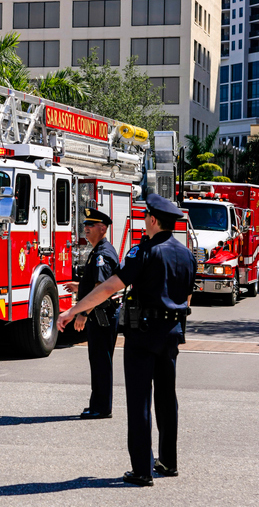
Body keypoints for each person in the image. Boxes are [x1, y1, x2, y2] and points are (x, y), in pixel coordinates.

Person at [58, 194, 197, 487]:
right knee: (166, 398)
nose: (144, 219)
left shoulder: (143, 252)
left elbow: (109, 287)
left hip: (143, 334)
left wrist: (74, 309)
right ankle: (168, 462)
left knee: (139, 401)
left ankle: (142, 470)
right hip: (171, 333)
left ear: (154, 220)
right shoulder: (186, 254)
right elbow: (186, 296)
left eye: (146, 216)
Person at [64, 208, 119, 420]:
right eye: (85, 225)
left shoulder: (102, 254)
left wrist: (83, 313)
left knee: (101, 363)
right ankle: (97, 404)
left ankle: (102, 408)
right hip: (100, 316)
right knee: (97, 362)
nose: (85, 229)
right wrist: (80, 286)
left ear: (102, 228)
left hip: (100, 317)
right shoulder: (98, 251)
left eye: (91, 225)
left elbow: (101, 287)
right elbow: (95, 284)